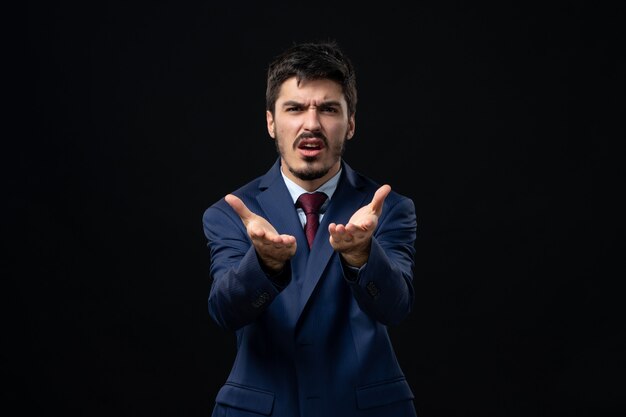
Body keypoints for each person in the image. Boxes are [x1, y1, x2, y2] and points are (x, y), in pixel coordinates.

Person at [202, 40, 418, 417]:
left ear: (350, 124)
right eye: (295, 108)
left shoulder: (389, 209)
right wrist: (264, 266)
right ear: (271, 122)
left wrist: (360, 256)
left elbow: (395, 307)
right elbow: (225, 311)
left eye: (329, 109)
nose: (312, 124)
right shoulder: (230, 213)